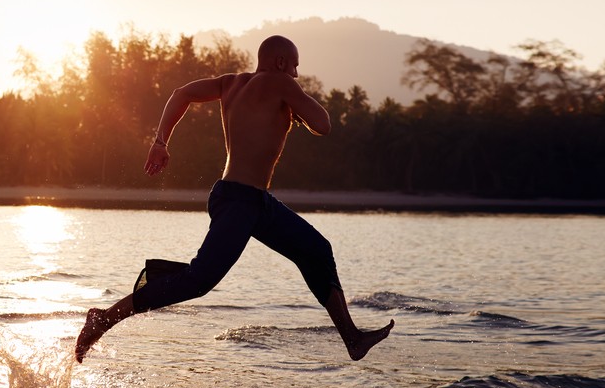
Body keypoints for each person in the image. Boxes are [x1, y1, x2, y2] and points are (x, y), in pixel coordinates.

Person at [74, 35, 394, 363]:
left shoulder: (230, 83)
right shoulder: (281, 82)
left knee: (316, 250)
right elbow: (323, 124)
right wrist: (294, 101)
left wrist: (161, 142)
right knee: (199, 281)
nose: (296, 74)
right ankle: (104, 318)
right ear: (281, 62)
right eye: (295, 66)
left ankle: (352, 338)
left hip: (250, 200)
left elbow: (181, 93)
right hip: (240, 202)